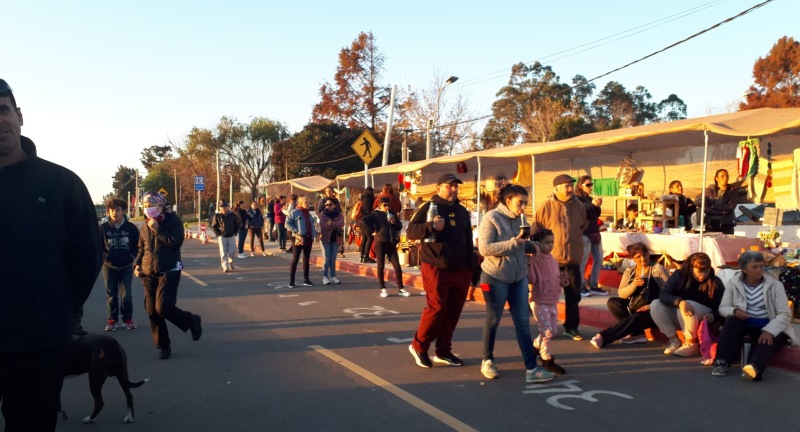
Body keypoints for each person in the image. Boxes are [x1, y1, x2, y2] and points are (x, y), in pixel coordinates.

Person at [0, 78, 103, 431]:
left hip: (39, 348)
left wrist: (59, 313)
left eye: (3, 110)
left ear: (19, 116)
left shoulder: (61, 185)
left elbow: (87, 258)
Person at [478, 184, 556, 383]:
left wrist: (533, 245)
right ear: (508, 200)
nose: (523, 207)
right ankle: (487, 360)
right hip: (495, 276)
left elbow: (522, 243)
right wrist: (516, 242)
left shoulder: (521, 219)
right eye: (519, 202)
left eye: (525, 203)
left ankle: (531, 368)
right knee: (493, 319)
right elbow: (485, 249)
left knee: (523, 322)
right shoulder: (491, 218)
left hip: (519, 277)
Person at [406, 173, 474, 369]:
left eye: (455, 186)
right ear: (438, 188)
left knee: (453, 311)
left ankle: (443, 351)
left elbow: (468, 239)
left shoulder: (462, 211)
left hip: (459, 268)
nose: (453, 189)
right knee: (436, 308)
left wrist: (471, 268)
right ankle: (419, 346)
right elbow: (411, 232)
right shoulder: (429, 207)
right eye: (449, 186)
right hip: (435, 266)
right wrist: (431, 226)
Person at [134, 192, 202, 360]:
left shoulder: (173, 221)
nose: (149, 209)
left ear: (162, 206)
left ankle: (191, 320)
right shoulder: (145, 225)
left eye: (152, 206)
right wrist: (137, 263)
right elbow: (142, 248)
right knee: (152, 311)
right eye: (146, 206)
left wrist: (158, 230)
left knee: (163, 307)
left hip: (169, 270)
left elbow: (176, 242)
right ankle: (163, 346)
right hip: (148, 272)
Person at [712, 251, 797, 380]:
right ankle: (721, 362)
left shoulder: (775, 285)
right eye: (754, 267)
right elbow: (723, 307)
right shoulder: (734, 283)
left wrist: (769, 330)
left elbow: (784, 314)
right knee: (731, 323)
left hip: (769, 323)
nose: (759, 270)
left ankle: (754, 368)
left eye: (761, 266)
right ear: (744, 269)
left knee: (768, 339)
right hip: (744, 322)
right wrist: (735, 311)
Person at [533, 174, 587, 341]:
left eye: (571, 185)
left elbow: (582, 226)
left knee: (573, 294)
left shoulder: (579, 206)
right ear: (556, 189)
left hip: (572, 259)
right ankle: (547, 327)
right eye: (567, 186)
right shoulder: (546, 206)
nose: (571, 189)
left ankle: (571, 327)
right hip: (551, 260)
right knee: (548, 295)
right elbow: (536, 230)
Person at [589, 243, 670, 348]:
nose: (643, 259)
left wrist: (651, 306)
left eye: (645, 255)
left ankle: (604, 337)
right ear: (632, 258)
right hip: (636, 305)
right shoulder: (630, 271)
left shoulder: (658, 269)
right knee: (613, 302)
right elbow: (622, 294)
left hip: (654, 309)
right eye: (638, 257)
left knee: (637, 316)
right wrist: (634, 285)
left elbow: (668, 293)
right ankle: (637, 333)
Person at [650, 252, 725, 357]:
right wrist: (679, 302)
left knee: (688, 304)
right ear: (691, 267)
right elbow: (664, 294)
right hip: (682, 314)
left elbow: (724, 305)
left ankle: (692, 343)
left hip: (705, 316)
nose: (703, 275)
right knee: (656, 304)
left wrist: (714, 314)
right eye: (699, 271)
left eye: (706, 271)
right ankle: (674, 340)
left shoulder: (715, 282)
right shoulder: (679, 275)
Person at [528, 228, 568, 375]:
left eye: (552, 242)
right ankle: (546, 359)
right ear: (537, 244)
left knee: (553, 330)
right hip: (539, 300)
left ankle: (534, 347)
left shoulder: (552, 259)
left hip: (552, 299)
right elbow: (531, 279)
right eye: (546, 242)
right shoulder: (534, 259)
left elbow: (556, 278)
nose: (550, 245)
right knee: (546, 331)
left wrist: (563, 281)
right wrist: (528, 264)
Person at [100, 197, 140, 331]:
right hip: (109, 266)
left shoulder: (131, 228)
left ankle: (127, 319)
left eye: (117, 210)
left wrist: (131, 256)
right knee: (111, 295)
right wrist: (104, 256)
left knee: (126, 295)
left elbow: (138, 245)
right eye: (112, 210)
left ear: (123, 211)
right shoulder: (103, 228)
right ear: (108, 212)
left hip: (126, 267)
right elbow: (97, 245)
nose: (114, 213)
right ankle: (112, 320)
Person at [360, 196, 408, 297]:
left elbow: (399, 226)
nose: (387, 207)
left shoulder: (392, 213)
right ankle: (382, 288)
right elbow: (363, 220)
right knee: (381, 265)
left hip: (391, 242)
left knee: (397, 265)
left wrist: (393, 222)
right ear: (380, 204)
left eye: (388, 205)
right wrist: (373, 230)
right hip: (380, 242)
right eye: (385, 205)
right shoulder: (376, 213)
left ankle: (401, 288)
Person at [575, 175, 607, 297]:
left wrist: (598, 205)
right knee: (583, 261)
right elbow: (582, 212)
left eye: (591, 184)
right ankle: (581, 286)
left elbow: (595, 214)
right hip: (584, 233)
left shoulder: (589, 198)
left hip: (594, 232)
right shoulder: (576, 199)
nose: (590, 187)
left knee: (599, 259)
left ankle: (594, 285)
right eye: (588, 185)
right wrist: (592, 205)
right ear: (580, 186)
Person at [285, 195, 317, 288]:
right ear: (300, 203)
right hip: (298, 238)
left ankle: (306, 280)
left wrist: (313, 233)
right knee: (295, 259)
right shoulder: (294, 212)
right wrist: (296, 231)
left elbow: (311, 225)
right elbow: (287, 223)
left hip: (308, 238)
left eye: (308, 203)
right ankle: (291, 281)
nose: (308, 204)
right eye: (305, 202)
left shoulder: (309, 214)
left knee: (306, 259)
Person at [704, 168, 742, 234]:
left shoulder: (733, 190)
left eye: (727, 176)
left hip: (727, 223)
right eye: (722, 176)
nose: (725, 178)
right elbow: (706, 208)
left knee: (727, 243)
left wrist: (714, 206)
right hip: (711, 222)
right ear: (716, 178)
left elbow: (730, 207)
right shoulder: (709, 190)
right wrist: (722, 212)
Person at [318, 197, 344, 285]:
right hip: (325, 239)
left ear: (334, 205)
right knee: (326, 258)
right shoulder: (323, 214)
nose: (327, 206)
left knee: (333, 259)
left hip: (336, 239)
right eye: (326, 205)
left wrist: (331, 223)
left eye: (330, 204)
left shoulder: (339, 214)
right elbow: (323, 225)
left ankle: (333, 276)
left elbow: (341, 223)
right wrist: (334, 225)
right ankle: (325, 277)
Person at [212, 201, 239, 272]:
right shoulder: (217, 216)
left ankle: (230, 261)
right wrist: (218, 234)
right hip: (222, 236)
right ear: (220, 208)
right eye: (222, 207)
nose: (224, 208)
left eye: (225, 207)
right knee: (223, 252)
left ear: (228, 207)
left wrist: (235, 232)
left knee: (232, 251)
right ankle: (225, 266)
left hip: (231, 235)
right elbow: (214, 226)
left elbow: (236, 224)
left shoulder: (232, 215)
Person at [358, 187, 376, 263]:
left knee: (364, 238)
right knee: (370, 237)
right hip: (366, 221)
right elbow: (368, 211)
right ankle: (366, 256)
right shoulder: (369, 200)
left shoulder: (363, 199)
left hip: (360, 220)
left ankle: (361, 256)